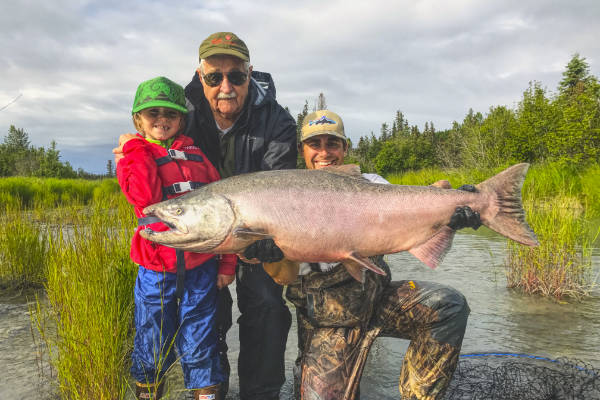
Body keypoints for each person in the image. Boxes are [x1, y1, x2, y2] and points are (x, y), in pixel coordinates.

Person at [257, 110, 477, 400]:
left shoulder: (371, 183)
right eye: (315, 144)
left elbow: (413, 206)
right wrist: (268, 252)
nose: (324, 152)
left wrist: (452, 209)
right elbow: (284, 277)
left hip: (379, 304)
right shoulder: (284, 196)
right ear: (302, 150)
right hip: (329, 325)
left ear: (345, 148)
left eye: (332, 144)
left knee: (448, 306)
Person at [183, 32, 298, 400]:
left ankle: (260, 393)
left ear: (250, 74)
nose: (226, 87)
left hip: (255, 231)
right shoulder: (182, 114)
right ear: (201, 78)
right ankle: (209, 389)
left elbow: (280, 186)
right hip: (203, 232)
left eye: (236, 76)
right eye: (215, 78)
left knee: (265, 304)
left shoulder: (278, 121)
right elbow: (152, 142)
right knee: (204, 309)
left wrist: (265, 242)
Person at [115, 76, 237, 400]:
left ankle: (205, 393)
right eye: (152, 113)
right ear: (137, 120)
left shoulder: (199, 157)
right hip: (156, 273)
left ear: (182, 119)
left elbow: (224, 215)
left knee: (201, 342)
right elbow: (145, 198)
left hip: (201, 270)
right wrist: (136, 149)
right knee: (151, 344)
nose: (161, 120)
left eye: (169, 113)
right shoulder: (132, 157)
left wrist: (227, 262)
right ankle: (148, 392)